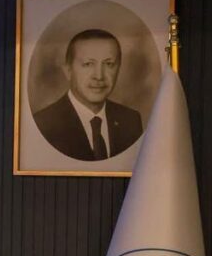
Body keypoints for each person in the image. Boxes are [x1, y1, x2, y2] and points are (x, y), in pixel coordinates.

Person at [32, 29, 143, 161]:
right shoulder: (44, 124)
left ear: (118, 69)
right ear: (68, 71)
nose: (99, 76)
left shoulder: (131, 121)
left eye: (109, 64)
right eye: (88, 64)